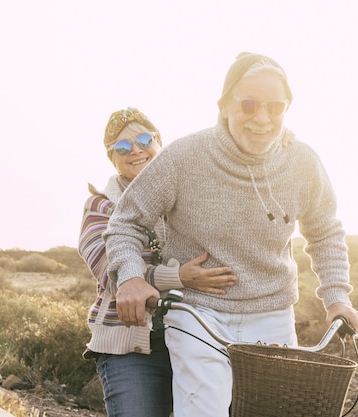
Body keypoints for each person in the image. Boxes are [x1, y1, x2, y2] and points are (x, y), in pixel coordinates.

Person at [103, 52, 358, 417]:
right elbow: (125, 222)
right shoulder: (184, 157)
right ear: (225, 105)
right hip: (198, 314)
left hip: (272, 312)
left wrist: (337, 297)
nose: (262, 118)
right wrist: (130, 277)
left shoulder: (302, 161)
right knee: (204, 411)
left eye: (275, 108)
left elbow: (325, 232)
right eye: (249, 104)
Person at [78, 106, 238, 417]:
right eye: (122, 147)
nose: (136, 150)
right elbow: (112, 272)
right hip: (133, 347)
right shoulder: (100, 206)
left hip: (199, 335)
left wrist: (276, 142)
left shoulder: (188, 193)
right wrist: (180, 276)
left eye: (143, 139)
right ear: (112, 157)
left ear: (159, 141)